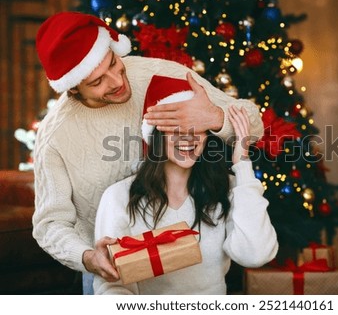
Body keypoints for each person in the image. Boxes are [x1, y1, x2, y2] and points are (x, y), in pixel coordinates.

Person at [32, 11, 264, 294]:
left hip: (196, 258)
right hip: (111, 268)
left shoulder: (161, 74)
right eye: (96, 82)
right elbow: (50, 224)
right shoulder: (55, 137)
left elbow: (253, 121)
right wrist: (89, 257)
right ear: (73, 88)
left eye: (114, 63)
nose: (116, 81)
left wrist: (216, 117)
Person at [93, 76, 278, 294]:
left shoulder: (229, 188)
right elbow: (113, 286)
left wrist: (242, 164)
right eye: (176, 128)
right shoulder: (119, 197)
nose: (188, 138)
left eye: (197, 127)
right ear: (157, 134)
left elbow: (256, 254)